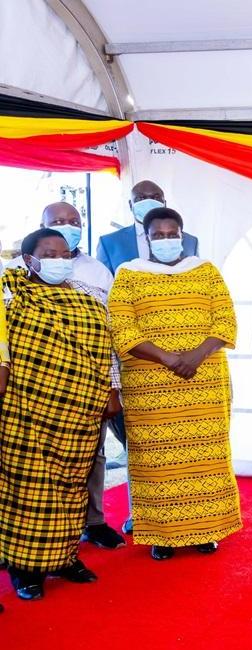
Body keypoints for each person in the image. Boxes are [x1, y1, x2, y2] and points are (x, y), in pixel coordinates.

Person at [108, 207, 241, 560]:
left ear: (182, 235)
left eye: (172, 233)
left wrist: (196, 355)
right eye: (159, 234)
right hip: (150, 387)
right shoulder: (128, 275)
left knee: (204, 458)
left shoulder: (205, 271)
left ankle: (206, 529)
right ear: (147, 238)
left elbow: (225, 319)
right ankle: (162, 534)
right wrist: (167, 358)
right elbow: (122, 328)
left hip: (203, 381)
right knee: (157, 461)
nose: (166, 239)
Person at [0, 228, 119, 600]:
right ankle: (25, 569)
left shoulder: (87, 299)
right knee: (28, 490)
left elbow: (105, 348)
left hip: (79, 414)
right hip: (26, 413)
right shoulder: (12, 295)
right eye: (49, 254)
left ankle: (65, 558)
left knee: (72, 487)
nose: (58, 261)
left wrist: (111, 392)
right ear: (29, 259)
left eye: (64, 255)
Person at [23, 202, 125, 550]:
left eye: (74, 222)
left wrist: (113, 386)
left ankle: (90, 524)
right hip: (33, 393)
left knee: (90, 457)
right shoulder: (16, 284)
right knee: (33, 467)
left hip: (86, 390)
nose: (68, 227)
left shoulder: (96, 272)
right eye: (58, 222)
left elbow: (106, 334)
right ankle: (30, 547)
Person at [96, 180, 199, 274]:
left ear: (164, 203)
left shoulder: (191, 242)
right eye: (141, 198)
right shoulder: (109, 243)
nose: (149, 202)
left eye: (156, 197)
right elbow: (102, 286)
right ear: (131, 205)